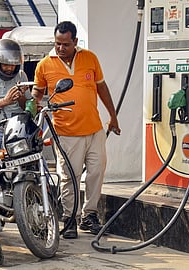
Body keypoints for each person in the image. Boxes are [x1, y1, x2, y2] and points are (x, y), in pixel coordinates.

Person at [32, 21, 121, 239]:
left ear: (75, 42)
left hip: (94, 129)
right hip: (66, 132)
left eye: (65, 44)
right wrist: (35, 110)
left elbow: (101, 87)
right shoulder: (44, 64)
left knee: (96, 173)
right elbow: (37, 94)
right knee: (69, 178)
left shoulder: (90, 58)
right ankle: (70, 219)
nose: (60, 48)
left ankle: (89, 216)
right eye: (57, 43)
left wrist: (113, 117)